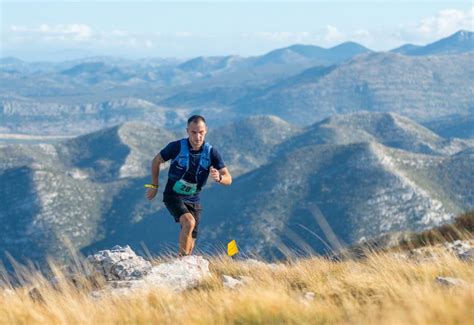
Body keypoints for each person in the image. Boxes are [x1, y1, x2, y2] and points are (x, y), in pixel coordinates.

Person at [145, 115, 232, 256]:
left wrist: (219, 178)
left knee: (191, 240)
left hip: (194, 199)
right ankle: (181, 263)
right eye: (194, 132)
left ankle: (186, 261)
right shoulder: (176, 147)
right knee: (189, 223)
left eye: (201, 132)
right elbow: (156, 160)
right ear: (187, 131)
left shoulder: (211, 153)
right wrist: (154, 185)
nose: (198, 136)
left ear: (206, 131)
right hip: (173, 195)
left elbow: (229, 178)